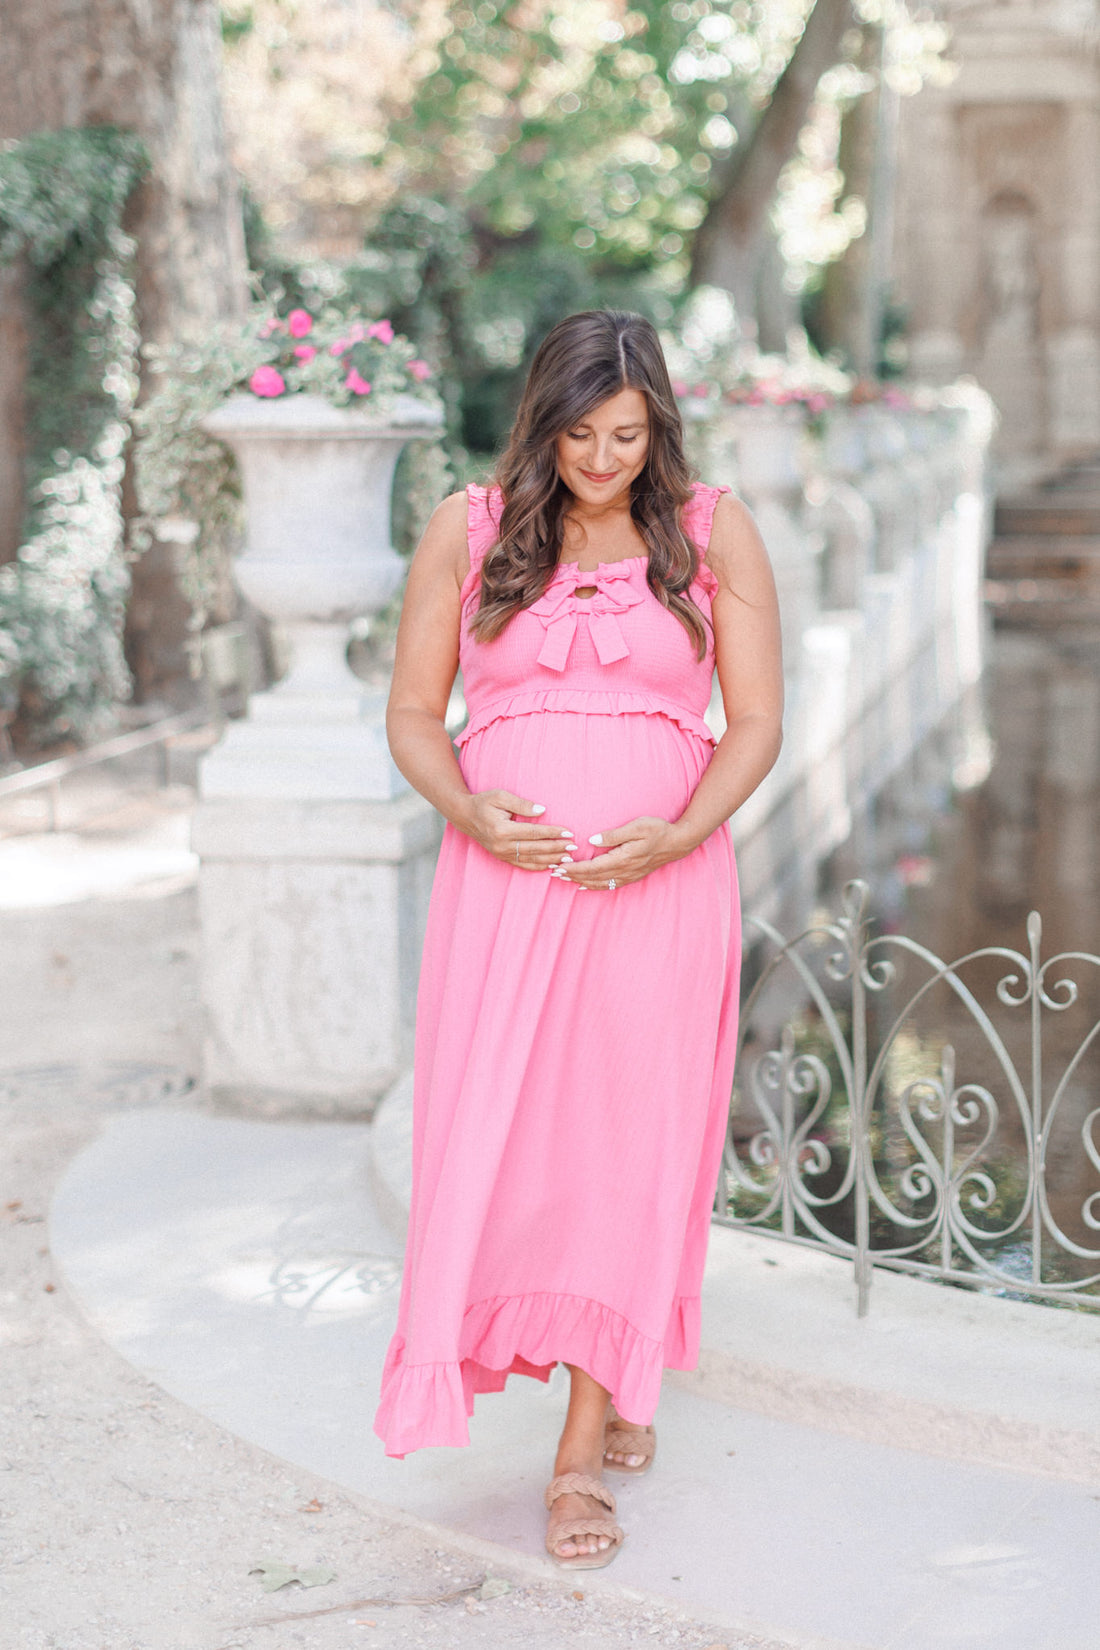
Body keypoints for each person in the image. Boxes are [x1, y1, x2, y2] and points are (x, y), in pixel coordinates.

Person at [374, 309, 783, 1569]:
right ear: (538, 422)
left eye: (626, 433)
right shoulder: (470, 527)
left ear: (656, 421)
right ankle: (566, 1357)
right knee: (503, 1144)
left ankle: (578, 1448)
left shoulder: (709, 530)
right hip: (503, 893)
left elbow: (758, 721)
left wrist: (675, 833)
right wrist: (468, 808)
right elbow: (408, 710)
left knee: (623, 1144)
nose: (601, 459)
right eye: (577, 435)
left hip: (656, 894)